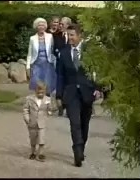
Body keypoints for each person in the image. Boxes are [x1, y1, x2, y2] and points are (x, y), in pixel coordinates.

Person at [56, 24, 101, 167]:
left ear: (79, 35)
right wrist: (58, 95)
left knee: (84, 124)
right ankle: (77, 151)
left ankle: (81, 146)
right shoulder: (63, 53)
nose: (69, 38)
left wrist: (99, 88)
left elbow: (97, 70)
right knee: (74, 123)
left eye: (72, 35)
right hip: (70, 93)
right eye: (67, 35)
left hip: (87, 92)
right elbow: (60, 76)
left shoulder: (90, 52)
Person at [23, 81, 57, 162]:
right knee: (33, 139)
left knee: (41, 139)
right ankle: (33, 152)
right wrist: (26, 118)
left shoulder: (47, 100)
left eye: (42, 93)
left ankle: (41, 153)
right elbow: (26, 109)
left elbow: (50, 109)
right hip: (32, 122)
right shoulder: (29, 99)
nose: (40, 94)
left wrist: (51, 110)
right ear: (35, 91)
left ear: (45, 92)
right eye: (39, 93)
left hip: (42, 122)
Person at [26, 17, 57, 96]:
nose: (41, 27)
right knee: (37, 84)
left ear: (45, 26)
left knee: (48, 84)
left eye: (43, 25)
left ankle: (47, 102)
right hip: (36, 64)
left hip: (48, 64)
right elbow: (30, 54)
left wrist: (55, 62)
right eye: (39, 25)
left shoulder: (50, 36)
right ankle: (38, 102)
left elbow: (53, 50)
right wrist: (28, 67)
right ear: (36, 27)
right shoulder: (32, 38)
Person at [53, 17, 72, 116]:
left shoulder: (72, 36)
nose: (60, 26)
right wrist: (58, 53)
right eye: (59, 24)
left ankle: (67, 105)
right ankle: (60, 103)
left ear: (67, 25)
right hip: (60, 64)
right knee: (60, 83)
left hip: (70, 65)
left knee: (69, 84)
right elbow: (54, 49)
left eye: (62, 24)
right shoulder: (56, 36)